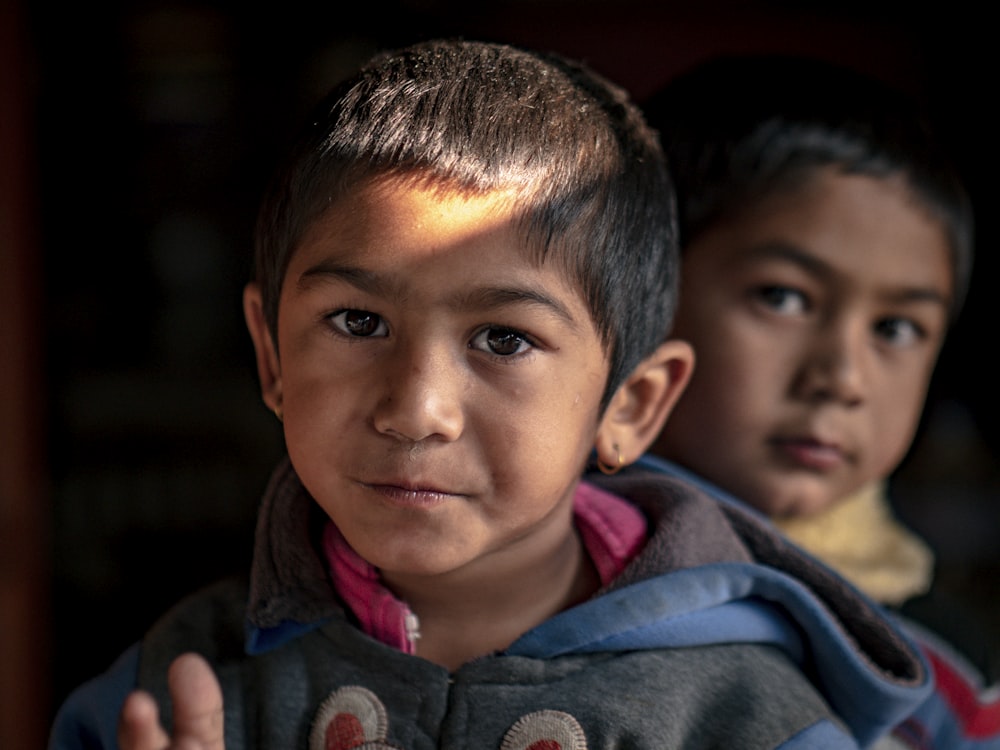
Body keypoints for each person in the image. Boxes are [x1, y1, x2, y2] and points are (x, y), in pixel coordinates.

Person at [50, 39, 934, 750]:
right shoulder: (177, 690)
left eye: (504, 339)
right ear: (271, 357)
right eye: (358, 322)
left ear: (630, 405)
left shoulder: (749, 718)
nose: (416, 409)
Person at [638, 54, 1000, 749]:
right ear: (641, 288)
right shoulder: (534, 566)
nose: (842, 377)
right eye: (783, 297)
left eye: (895, 329)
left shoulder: (939, 663)